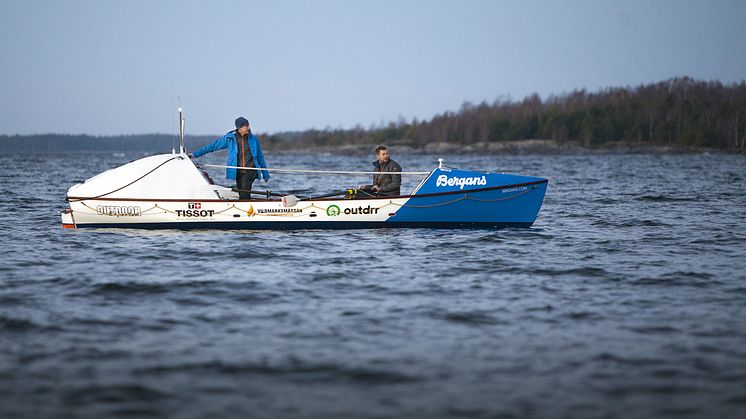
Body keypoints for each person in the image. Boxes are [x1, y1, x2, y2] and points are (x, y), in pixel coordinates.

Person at [190, 117, 270, 199]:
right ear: (240, 128)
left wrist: (265, 174)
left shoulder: (254, 140)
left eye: (248, 125)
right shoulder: (229, 138)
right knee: (242, 193)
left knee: (244, 192)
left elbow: (260, 157)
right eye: (246, 126)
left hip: (250, 171)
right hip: (238, 171)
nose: (249, 128)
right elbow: (212, 146)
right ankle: (244, 206)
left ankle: (245, 208)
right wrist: (195, 154)